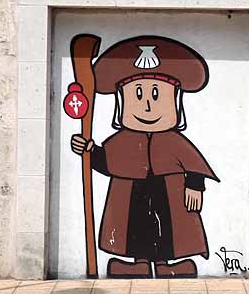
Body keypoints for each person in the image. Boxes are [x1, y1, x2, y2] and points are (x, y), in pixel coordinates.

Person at [70, 36, 217, 279]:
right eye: (138, 94)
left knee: (169, 226)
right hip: (131, 191)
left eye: (157, 95)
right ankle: (138, 262)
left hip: (168, 191)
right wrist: (89, 150)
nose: (147, 105)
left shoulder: (174, 141)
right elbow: (107, 161)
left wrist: (194, 185)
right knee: (134, 225)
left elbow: (194, 163)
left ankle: (165, 263)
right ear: (122, 102)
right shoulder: (122, 140)